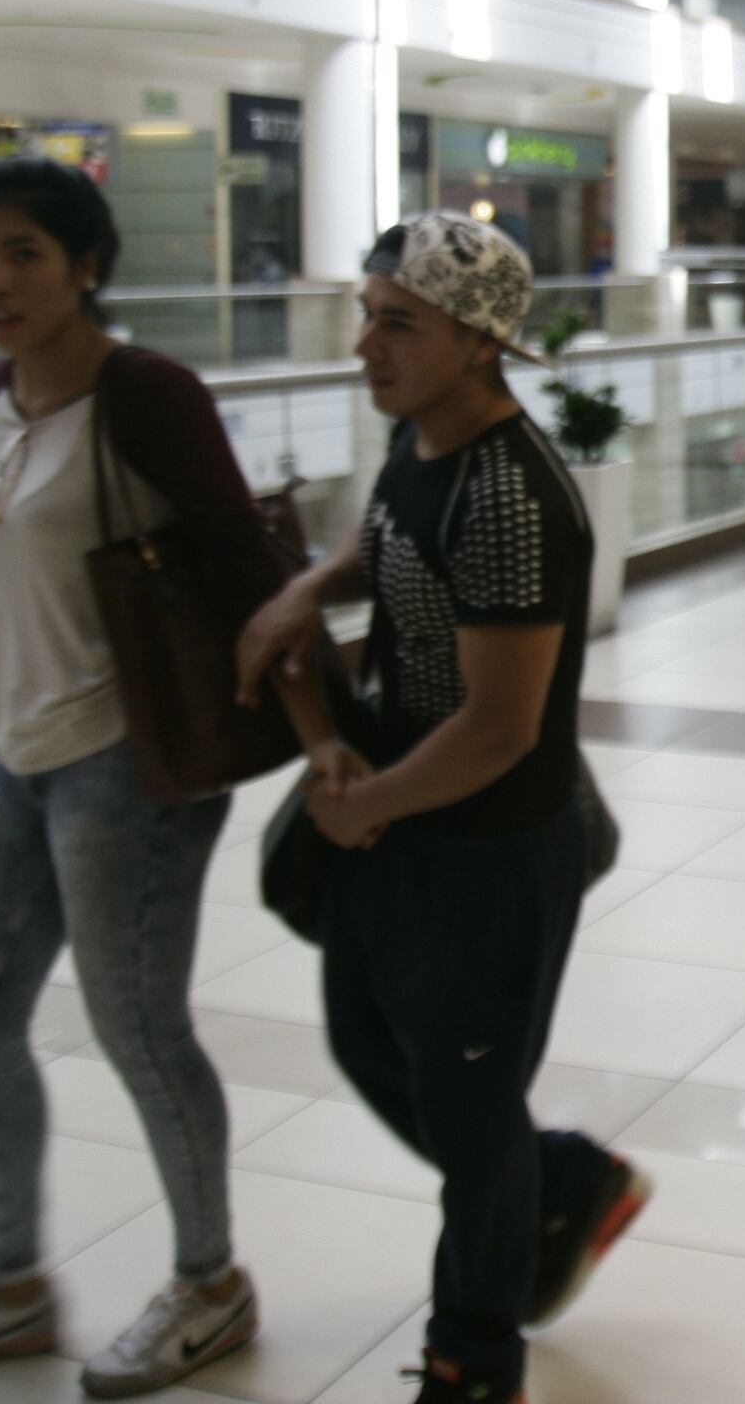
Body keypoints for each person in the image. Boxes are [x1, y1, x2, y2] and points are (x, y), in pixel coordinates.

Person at [0, 158, 317, 1394]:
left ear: (86, 267)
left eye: (22, 253)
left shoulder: (147, 394)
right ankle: (13, 1286)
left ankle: (210, 1284)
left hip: (136, 760)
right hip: (20, 756)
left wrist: (324, 739)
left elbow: (245, 572)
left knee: (136, 1023)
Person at [237, 213, 643, 1404]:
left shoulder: (513, 496)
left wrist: (370, 808)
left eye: (396, 323)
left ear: (477, 340)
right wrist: (311, 581)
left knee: (469, 1115)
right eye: (366, 314)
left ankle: (475, 1360)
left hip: (487, 839)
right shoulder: (422, 445)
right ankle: (559, 1180)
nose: (366, 343)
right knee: (369, 1040)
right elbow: (391, 547)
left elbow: (502, 726)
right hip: (406, 812)